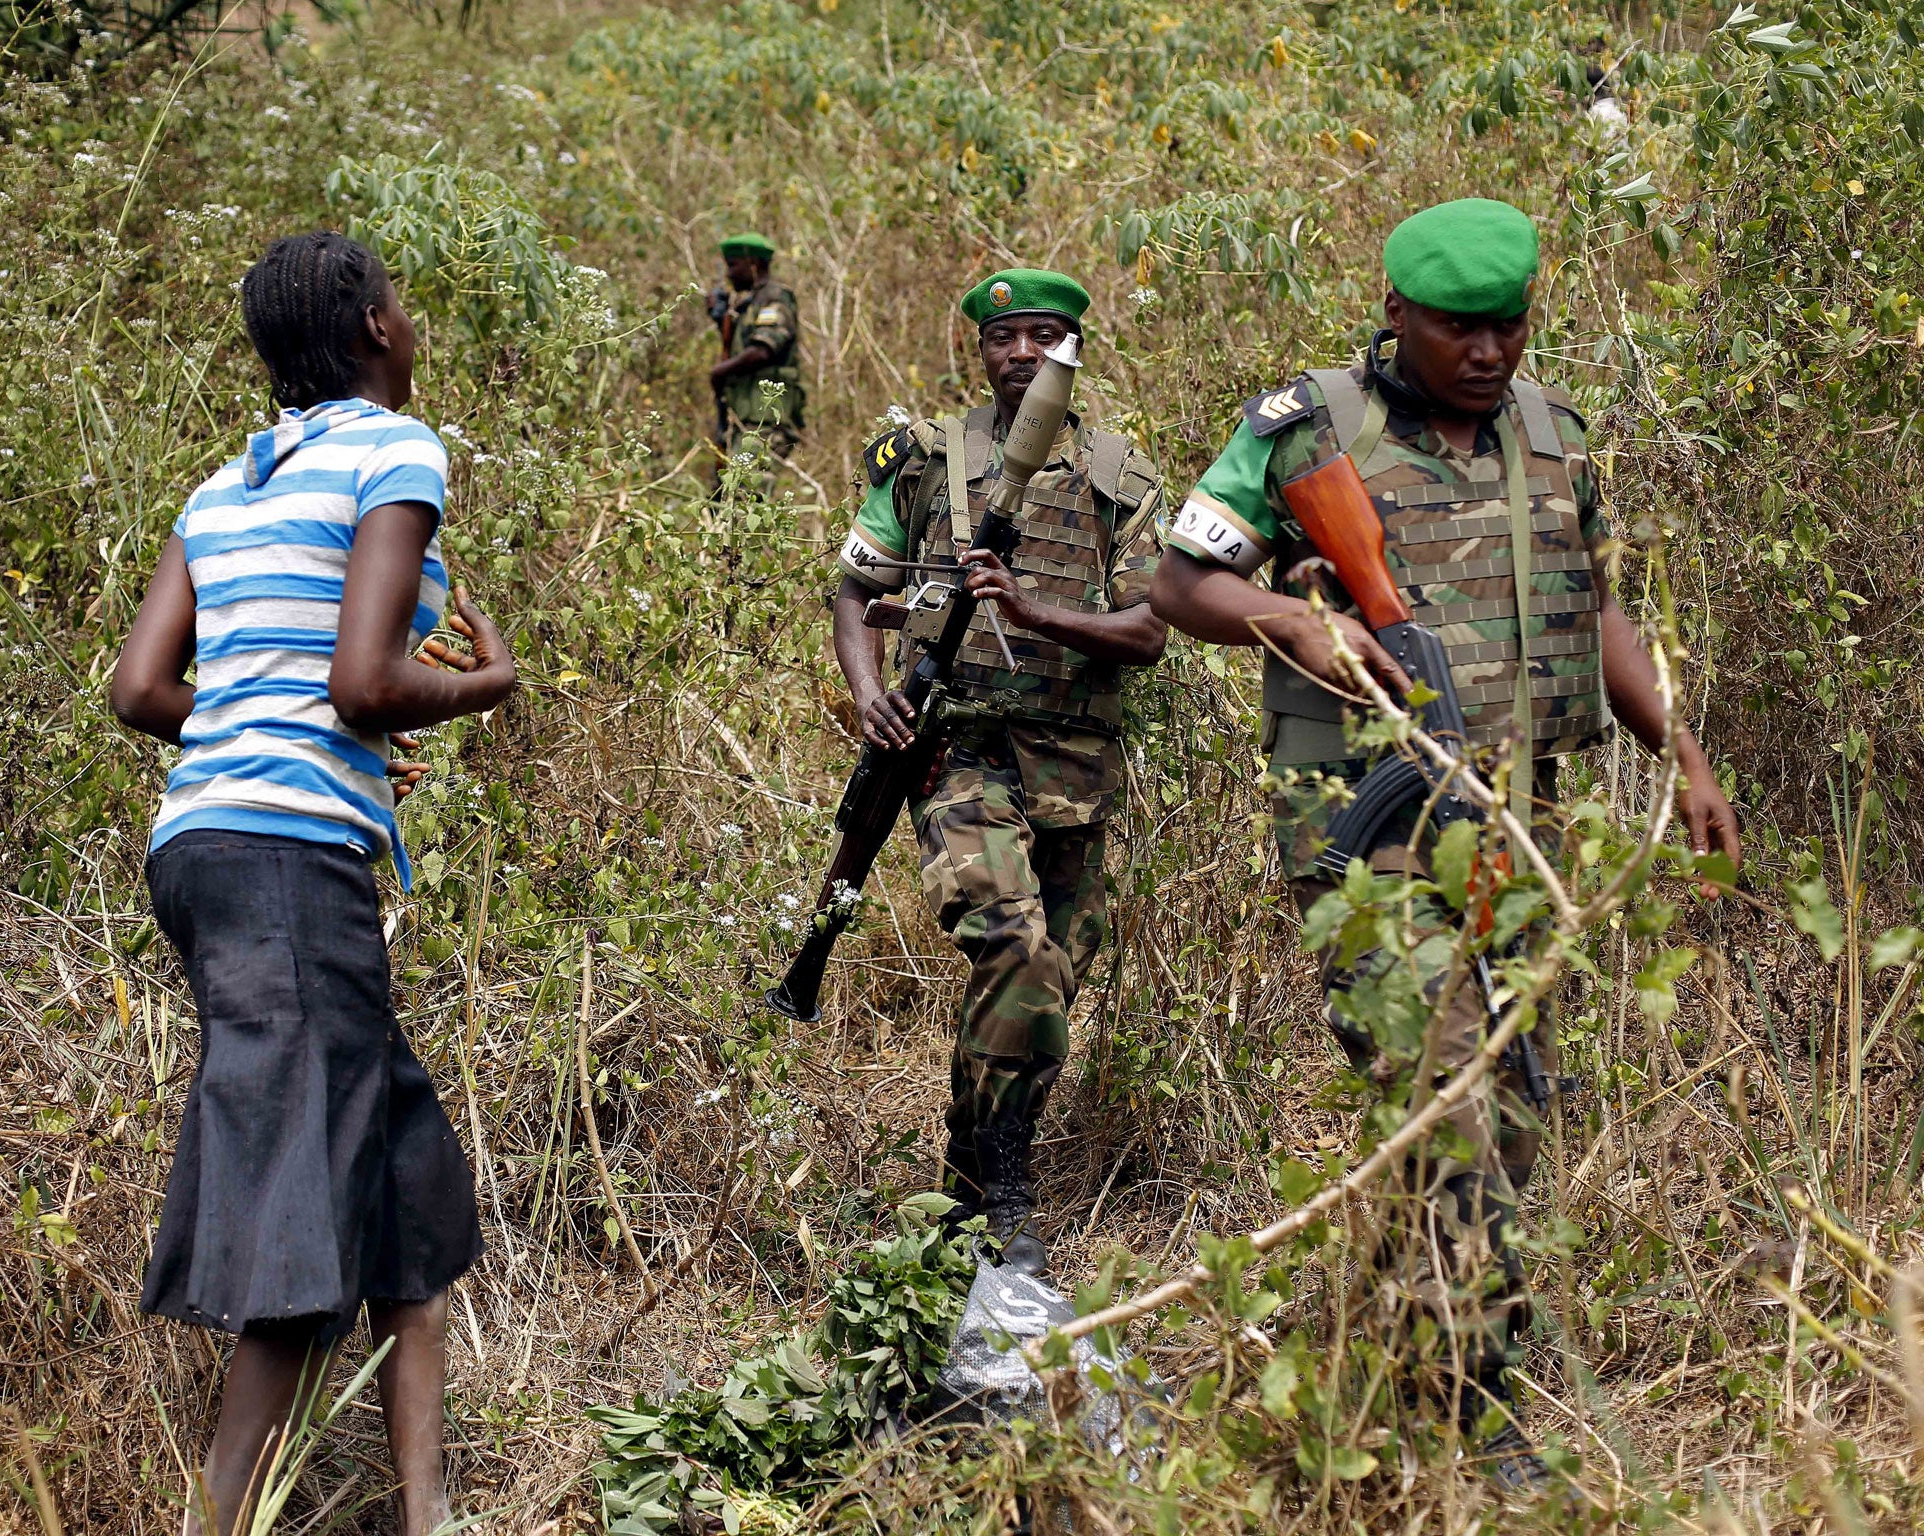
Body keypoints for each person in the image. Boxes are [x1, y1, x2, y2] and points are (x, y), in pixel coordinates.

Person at [1150, 198, 1739, 1493]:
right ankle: (1475, 1410)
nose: (1487, 351)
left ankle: (1398, 1338)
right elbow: (1175, 584)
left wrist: (1681, 753)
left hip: (1517, 830)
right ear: (1395, 310)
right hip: (1366, 847)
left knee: (1512, 1106)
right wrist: (1289, 623)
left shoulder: (1554, 437)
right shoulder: (1307, 430)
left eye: (1508, 325)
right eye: (1457, 327)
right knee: (1448, 1101)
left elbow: (1600, 615)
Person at [110, 231, 517, 1535]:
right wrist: (476, 688)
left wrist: (263, 734)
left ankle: (425, 1510)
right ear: (379, 332)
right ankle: (216, 1521)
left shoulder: (219, 488)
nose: (410, 314)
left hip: (204, 847)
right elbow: (364, 683)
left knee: (399, 1184)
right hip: (288, 867)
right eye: (401, 298)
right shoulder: (396, 450)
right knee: (301, 1204)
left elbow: (140, 691)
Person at [834, 268, 1169, 1276]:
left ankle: (967, 1176)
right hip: (958, 755)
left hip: (1073, 766)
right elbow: (857, 589)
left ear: (1074, 351)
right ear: (979, 351)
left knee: (1045, 987)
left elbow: (1148, 629)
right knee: (1014, 953)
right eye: (1003, 337)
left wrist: (1030, 612)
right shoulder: (925, 460)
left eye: (1044, 337)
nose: (1021, 353)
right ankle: (1007, 1195)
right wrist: (866, 692)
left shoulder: (1120, 473)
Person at [707, 232, 804, 463]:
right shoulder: (747, 303)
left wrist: (719, 371)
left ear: (754, 264)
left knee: (746, 489)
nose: (730, 274)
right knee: (725, 489)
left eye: (733, 265)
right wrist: (720, 319)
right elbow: (740, 346)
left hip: (766, 418)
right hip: (742, 415)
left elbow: (762, 351)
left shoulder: (775, 298)